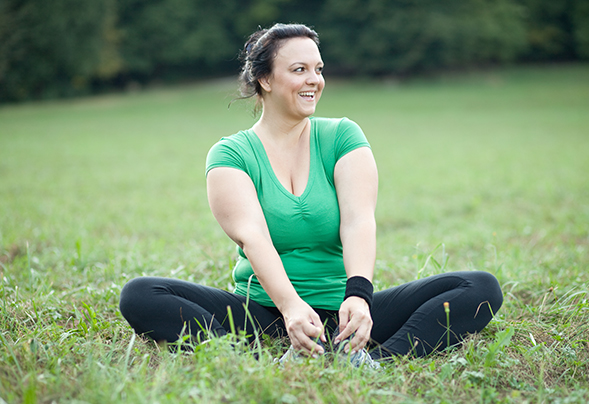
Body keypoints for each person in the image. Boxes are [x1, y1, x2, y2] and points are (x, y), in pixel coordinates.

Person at [119, 23, 503, 366]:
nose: (314, 80)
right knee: (140, 295)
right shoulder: (230, 154)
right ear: (265, 80)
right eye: (299, 70)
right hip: (262, 312)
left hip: (342, 310)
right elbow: (253, 236)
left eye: (318, 69)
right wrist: (290, 309)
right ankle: (250, 357)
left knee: (479, 287)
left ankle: (371, 362)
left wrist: (359, 296)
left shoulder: (342, 136)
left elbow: (358, 220)